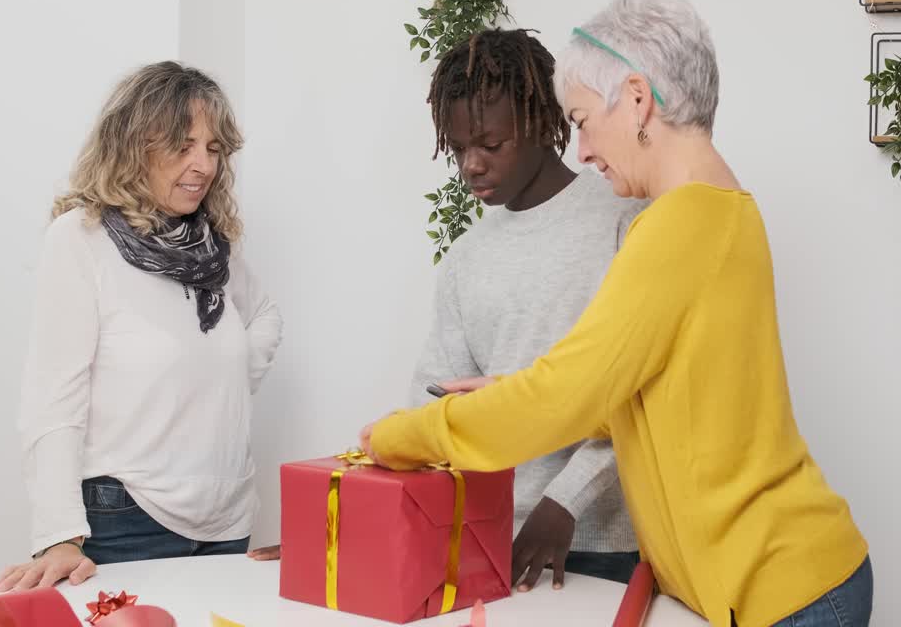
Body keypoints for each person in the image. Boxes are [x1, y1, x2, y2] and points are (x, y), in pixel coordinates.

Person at [361, 0, 873, 627]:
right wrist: (508, 390)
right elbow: (631, 392)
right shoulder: (718, 211)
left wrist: (401, 436)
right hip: (782, 583)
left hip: (787, 591)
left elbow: (569, 393)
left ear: (636, 99)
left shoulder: (677, 225)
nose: (580, 149)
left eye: (579, 120)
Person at [250, 30, 644, 590]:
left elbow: (638, 390)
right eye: (459, 149)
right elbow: (430, 407)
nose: (471, 166)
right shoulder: (469, 256)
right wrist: (344, 524)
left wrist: (564, 503)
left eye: (490, 143)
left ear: (539, 123)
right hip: (487, 534)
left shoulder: (622, 219)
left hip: (598, 541)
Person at [0, 61, 283, 592]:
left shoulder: (211, 247)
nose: (203, 165)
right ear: (133, 145)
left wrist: (228, 379)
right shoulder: (80, 240)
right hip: (127, 520)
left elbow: (263, 316)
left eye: (214, 148)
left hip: (229, 519)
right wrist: (58, 534)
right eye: (183, 145)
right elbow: (53, 395)